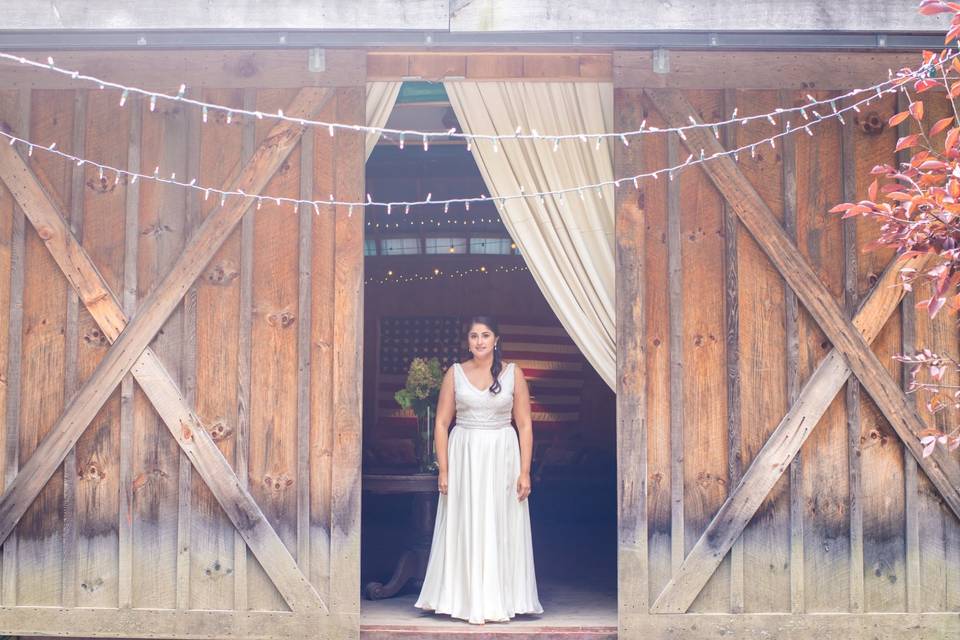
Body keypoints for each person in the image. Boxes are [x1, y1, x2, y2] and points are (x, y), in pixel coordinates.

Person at [414, 316, 544, 624]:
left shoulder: (514, 374)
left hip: (502, 454)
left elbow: (524, 424)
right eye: (474, 336)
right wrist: (443, 470)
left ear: (497, 339)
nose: (479, 341)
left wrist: (525, 471)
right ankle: (461, 598)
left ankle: (503, 597)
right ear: (468, 341)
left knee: (499, 521)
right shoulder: (455, 373)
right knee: (467, 520)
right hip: (466, 455)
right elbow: (442, 423)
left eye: (485, 335)